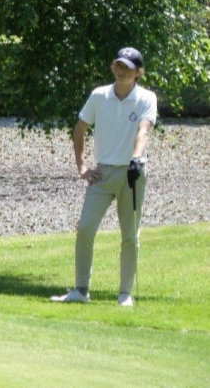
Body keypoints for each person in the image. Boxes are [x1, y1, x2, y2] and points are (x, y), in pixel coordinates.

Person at [51, 47, 157, 307]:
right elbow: (79, 130)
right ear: (113, 67)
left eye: (128, 68)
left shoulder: (146, 97)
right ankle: (81, 290)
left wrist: (135, 159)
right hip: (102, 172)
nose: (122, 71)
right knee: (85, 228)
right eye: (119, 66)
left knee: (130, 235)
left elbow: (143, 131)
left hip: (132, 173)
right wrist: (82, 166)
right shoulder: (99, 95)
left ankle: (125, 294)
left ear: (138, 73)